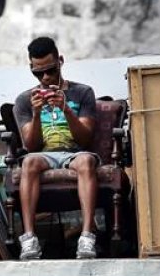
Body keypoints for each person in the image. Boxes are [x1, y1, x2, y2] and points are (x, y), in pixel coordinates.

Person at [12, 36, 98, 260]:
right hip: (43, 155)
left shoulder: (83, 93)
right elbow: (31, 146)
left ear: (60, 61)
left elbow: (86, 139)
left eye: (50, 70)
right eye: (38, 73)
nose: (46, 77)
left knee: (87, 161)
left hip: (75, 153)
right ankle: (29, 239)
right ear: (31, 68)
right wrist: (37, 114)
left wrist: (66, 109)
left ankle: (87, 236)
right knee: (28, 162)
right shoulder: (24, 100)